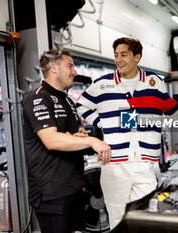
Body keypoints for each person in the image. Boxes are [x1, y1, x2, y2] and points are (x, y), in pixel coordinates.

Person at [76, 37, 178, 230]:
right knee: (117, 222)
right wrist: (103, 123)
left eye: (124, 55)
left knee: (145, 220)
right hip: (114, 166)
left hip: (146, 166)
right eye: (116, 55)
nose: (119, 60)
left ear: (137, 57)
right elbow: (81, 106)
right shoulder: (103, 84)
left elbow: (173, 108)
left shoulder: (154, 82)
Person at [22, 49, 111, 233]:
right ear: (53, 68)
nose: (75, 72)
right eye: (70, 66)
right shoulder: (38, 97)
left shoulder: (68, 101)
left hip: (74, 186)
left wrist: (81, 138)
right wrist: (91, 141)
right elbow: (52, 140)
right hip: (51, 192)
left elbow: (77, 134)